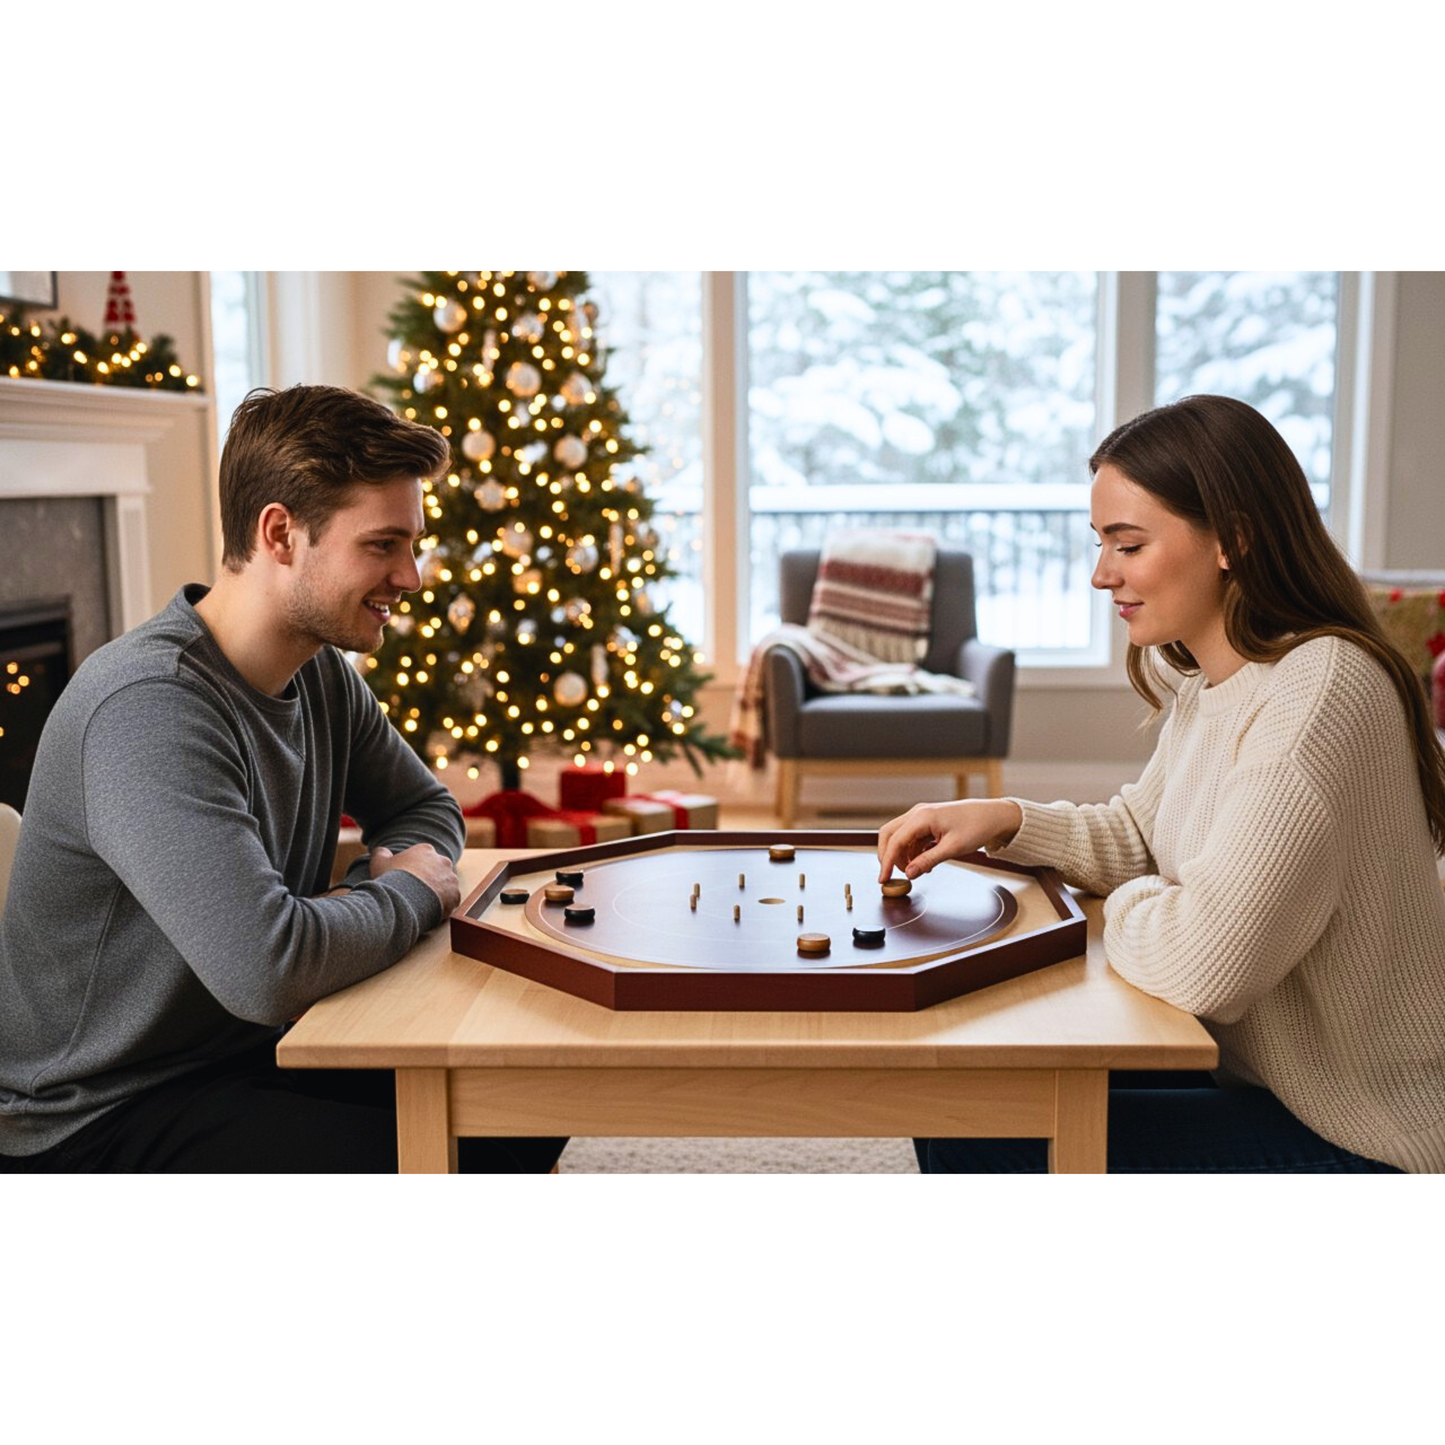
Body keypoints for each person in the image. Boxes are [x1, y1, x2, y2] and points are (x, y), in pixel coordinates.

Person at [0, 384, 565, 1173]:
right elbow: (270, 969)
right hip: (97, 1115)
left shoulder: (320, 672)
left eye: (415, 543)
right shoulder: (147, 708)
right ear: (280, 533)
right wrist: (405, 893)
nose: (413, 576)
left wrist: (370, 883)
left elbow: (421, 806)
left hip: (243, 1051)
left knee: (530, 1097)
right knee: (473, 1157)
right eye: (383, 544)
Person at [878, 394, 1445, 1174]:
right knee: (963, 1087)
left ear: (1232, 539)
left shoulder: (1317, 695)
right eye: (1101, 542)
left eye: (1128, 543)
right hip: (1258, 1082)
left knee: (983, 1127)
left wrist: (1115, 910)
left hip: (1360, 1134)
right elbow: (1144, 838)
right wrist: (1006, 818)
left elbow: (1202, 959)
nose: (1099, 573)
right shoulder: (1213, 679)